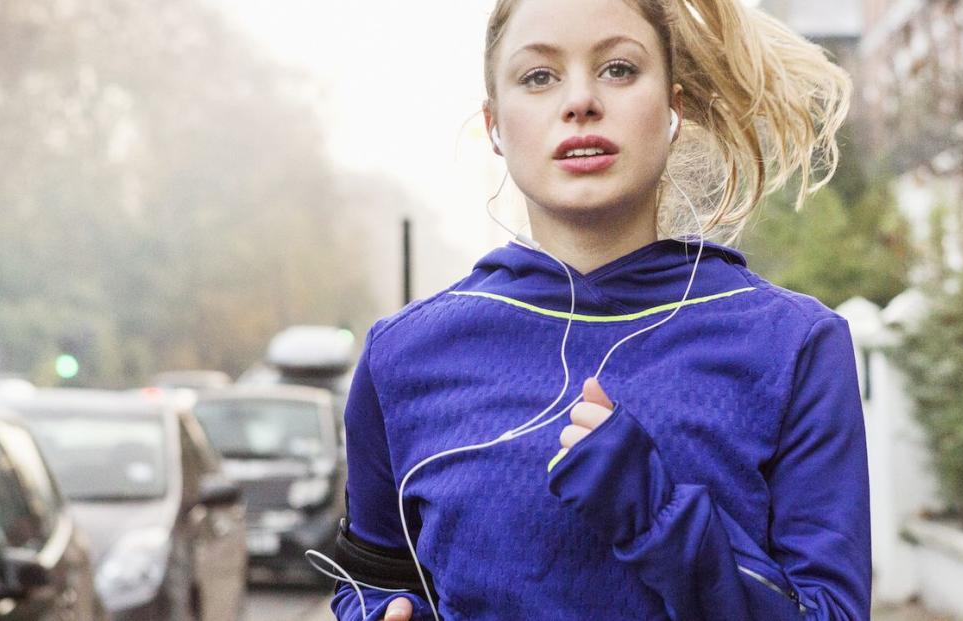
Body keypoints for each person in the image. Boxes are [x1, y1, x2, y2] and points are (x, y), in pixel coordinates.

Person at [326, 0, 869, 618]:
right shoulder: (400, 356)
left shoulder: (794, 346)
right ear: (495, 125)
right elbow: (370, 579)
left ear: (673, 109)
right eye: (539, 76)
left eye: (617, 69)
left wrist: (654, 511)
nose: (580, 101)